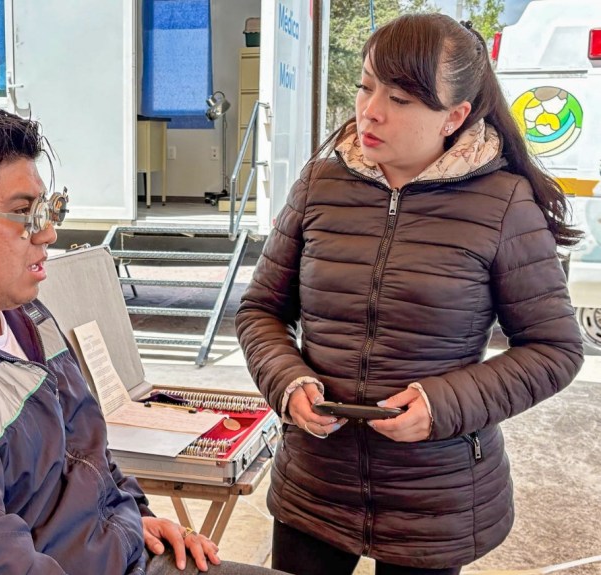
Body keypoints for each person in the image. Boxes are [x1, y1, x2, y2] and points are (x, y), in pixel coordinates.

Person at [0, 95, 282, 575]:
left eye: (50, 208)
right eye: (25, 214)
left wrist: (133, 516)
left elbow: (85, 440)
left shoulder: (21, 312)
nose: (48, 234)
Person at [235, 14, 584, 575]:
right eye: (366, 86)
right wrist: (287, 381)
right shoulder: (319, 185)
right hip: (315, 484)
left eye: (398, 97)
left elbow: (554, 349)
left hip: (436, 499)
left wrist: (441, 405)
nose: (370, 110)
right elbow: (260, 311)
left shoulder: (504, 204)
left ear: (455, 116)